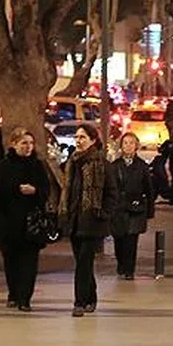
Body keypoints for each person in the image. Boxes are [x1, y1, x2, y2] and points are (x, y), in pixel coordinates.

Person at [61, 123, 118, 317]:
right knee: (82, 262)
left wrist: (103, 213)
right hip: (75, 219)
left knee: (84, 262)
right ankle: (90, 297)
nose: (78, 141)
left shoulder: (101, 164)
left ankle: (79, 302)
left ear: (93, 140)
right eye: (77, 137)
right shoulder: (72, 162)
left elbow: (112, 193)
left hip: (92, 221)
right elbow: (67, 191)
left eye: (83, 137)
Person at [0, 127, 50, 312]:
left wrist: (35, 191)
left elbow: (47, 191)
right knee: (11, 260)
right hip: (9, 222)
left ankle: (25, 297)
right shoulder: (4, 166)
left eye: (31, 143)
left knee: (29, 261)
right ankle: (14, 293)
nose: (28, 147)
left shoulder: (37, 166)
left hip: (31, 222)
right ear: (14, 144)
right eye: (24, 143)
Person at [110, 132, 154, 280]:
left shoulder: (142, 166)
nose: (128, 146)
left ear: (136, 146)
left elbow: (149, 189)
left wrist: (149, 211)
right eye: (125, 143)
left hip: (135, 209)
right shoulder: (115, 166)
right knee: (119, 240)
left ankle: (129, 270)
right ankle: (121, 265)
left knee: (131, 240)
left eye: (131, 143)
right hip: (118, 209)